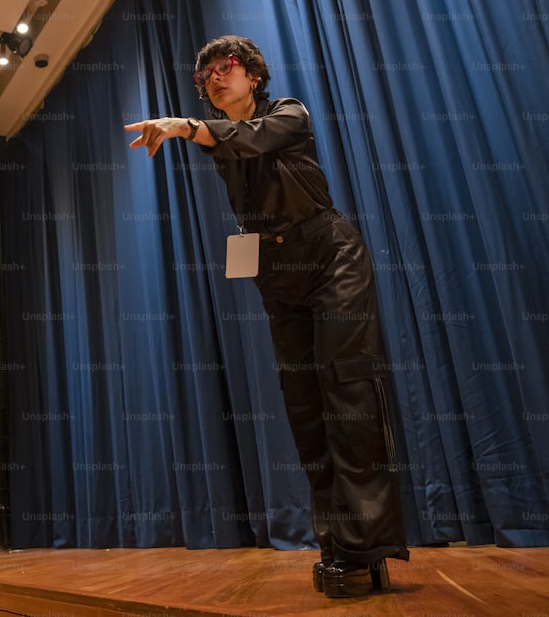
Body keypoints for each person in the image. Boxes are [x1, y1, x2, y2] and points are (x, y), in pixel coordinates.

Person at [124, 35, 409, 598]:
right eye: (204, 75)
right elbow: (232, 148)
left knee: (347, 392)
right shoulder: (222, 145)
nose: (213, 77)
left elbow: (253, 139)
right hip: (279, 273)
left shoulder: (288, 113)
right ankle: (336, 542)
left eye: (224, 67)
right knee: (306, 409)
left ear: (252, 75)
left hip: (331, 256)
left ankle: (364, 547)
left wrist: (185, 126)